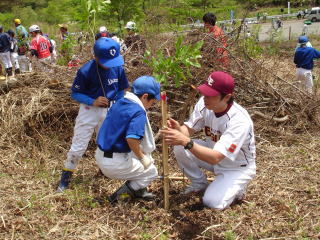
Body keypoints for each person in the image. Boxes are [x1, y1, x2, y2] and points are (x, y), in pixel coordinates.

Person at [161, 71, 256, 210]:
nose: (205, 98)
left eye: (211, 95)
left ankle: (237, 188)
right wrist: (178, 130)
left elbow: (215, 158)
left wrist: (186, 141)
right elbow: (189, 130)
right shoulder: (205, 103)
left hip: (236, 167)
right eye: (205, 93)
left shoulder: (239, 121)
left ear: (227, 97)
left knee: (212, 203)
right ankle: (199, 184)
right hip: (213, 152)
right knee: (180, 146)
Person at [57, 38, 129, 192]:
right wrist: (92, 101)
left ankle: (105, 170)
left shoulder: (117, 67)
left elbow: (121, 90)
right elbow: (75, 93)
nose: (110, 63)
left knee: (106, 143)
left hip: (110, 110)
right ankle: (66, 177)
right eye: (106, 60)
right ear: (95, 57)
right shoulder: (85, 71)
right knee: (79, 144)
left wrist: (117, 104)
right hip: (89, 110)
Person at [95, 76, 160, 203]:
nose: (151, 106)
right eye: (152, 102)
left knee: (148, 158)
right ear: (145, 96)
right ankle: (117, 199)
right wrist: (141, 157)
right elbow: (131, 139)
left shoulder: (121, 101)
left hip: (101, 154)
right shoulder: (138, 111)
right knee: (152, 172)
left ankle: (139, 191)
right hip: (114, 163)